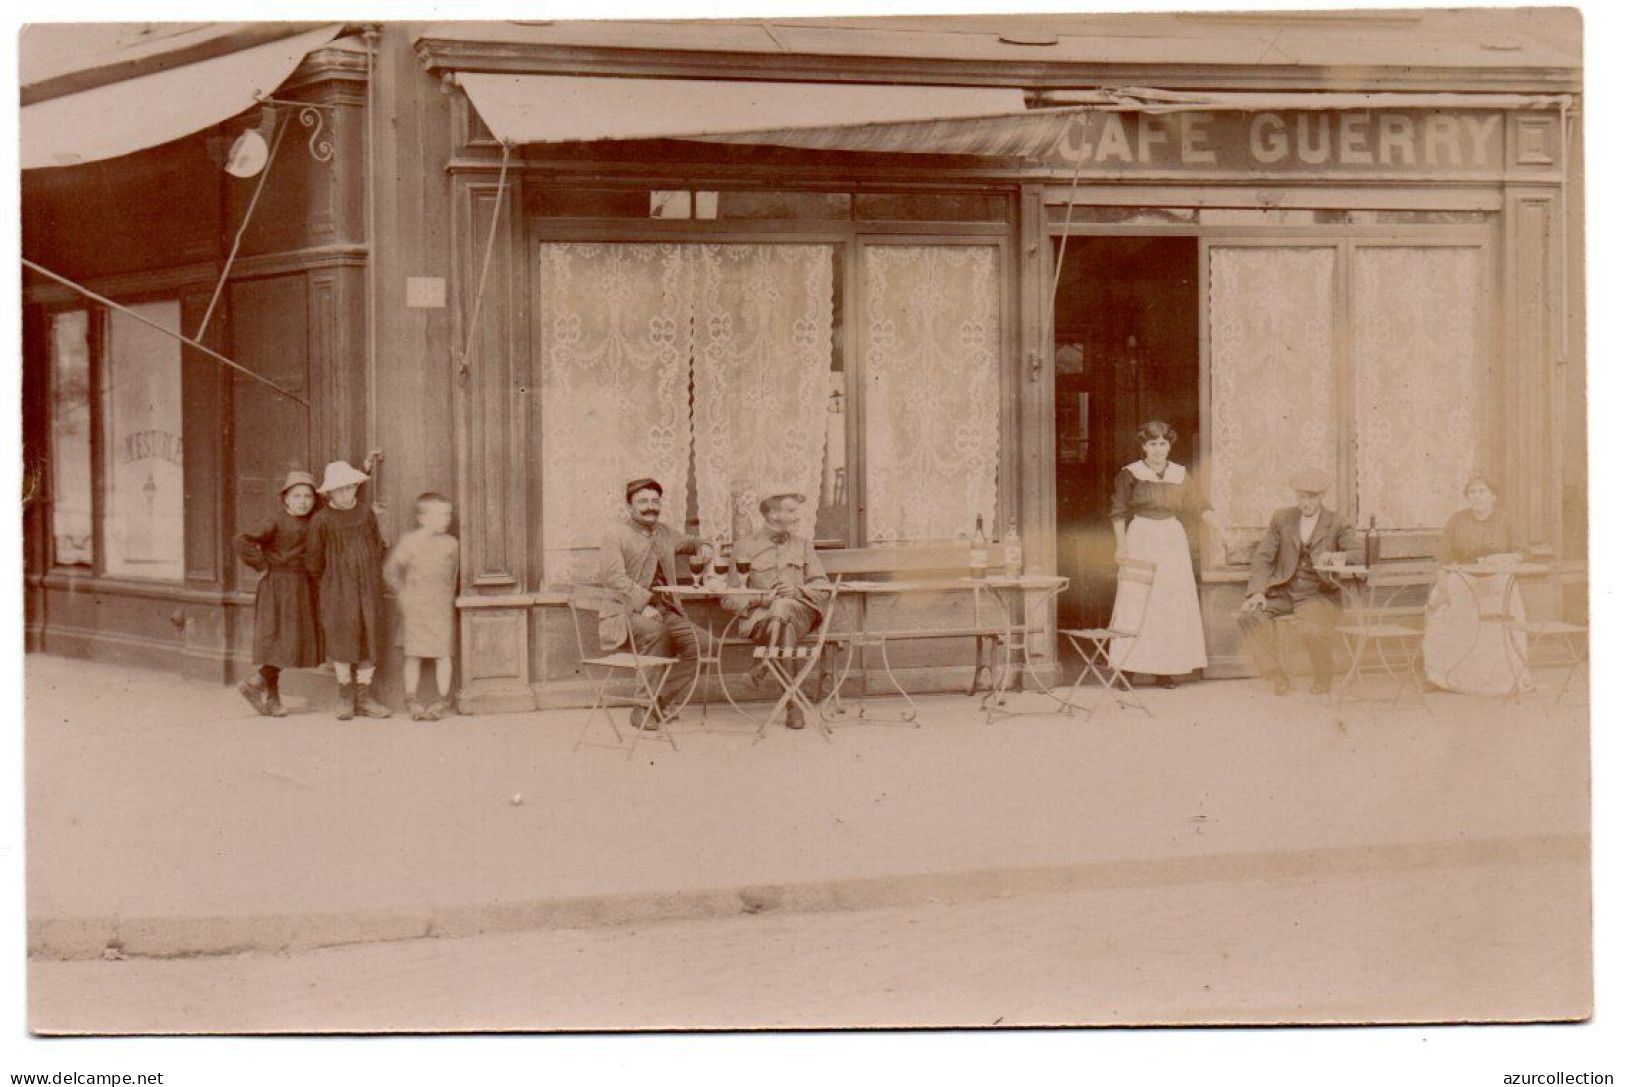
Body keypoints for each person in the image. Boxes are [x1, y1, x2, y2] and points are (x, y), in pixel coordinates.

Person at [1107, 421, 1231, 688]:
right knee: (1136, 600)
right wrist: (1121, 546)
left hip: (1171, 540)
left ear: (1169, 446)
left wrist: (1223, 532)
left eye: (1163, 444)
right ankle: (1127, 668)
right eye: (1152, 444)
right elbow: (1118, 512)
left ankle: (1164, 670)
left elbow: (1200, 506)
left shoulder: (1180, 475)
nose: (1158, 450)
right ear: (1143, 447)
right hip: (1140, 536)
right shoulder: (1130, 474)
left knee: (1169, 602)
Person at [597, 477, 714, 730]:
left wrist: (704, 545)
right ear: (629, 507)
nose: (650, 507)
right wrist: (643, 605)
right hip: (624, 613)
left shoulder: (665, 533)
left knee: (704, 645)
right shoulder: (615, 534)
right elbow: (614, 577)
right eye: (642, 501)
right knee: (656, 633)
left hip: (665, 611)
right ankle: (642, 708)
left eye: (655, 501)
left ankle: (659, 701)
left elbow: (691, 541)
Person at [1237, 468, 1357, 696]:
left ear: (1322, 496)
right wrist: (1256, 593)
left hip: (1317, 594)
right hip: (1284, 591)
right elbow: (1263, 557)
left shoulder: (1338, 523)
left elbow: (1358, 554)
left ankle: (1323, 675)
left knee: (1312, 630)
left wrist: (1338, 556)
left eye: (1312, 497)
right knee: (1249, 616)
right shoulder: (1282, 518)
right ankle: (1276, 674)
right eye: (1302, 496)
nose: (1306, 503)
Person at [725, 484, 833, 730]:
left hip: (801, 614)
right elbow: (729, 598)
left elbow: (822, 587)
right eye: (792, 511)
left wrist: (797, 591)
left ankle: (762, 665)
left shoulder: (804, 545)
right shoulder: (744, 547)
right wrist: (762, 600)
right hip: (761, 620)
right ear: (773, 513)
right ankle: (793, 704)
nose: (797, 516)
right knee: (783, 623)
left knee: (785, 605)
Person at [1423, 476, 1529, 695]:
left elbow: (1522, 552)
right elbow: (1443, 558)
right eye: (1472, 492)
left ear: (1493, 496)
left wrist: (1502, 558)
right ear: (1467, 497)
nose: (1477, 496)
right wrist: (1443, 592)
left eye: (1482, 491)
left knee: (1497, 624)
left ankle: (1502, 679)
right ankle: (1443, 678)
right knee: (1441, 613)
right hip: (1464, 579)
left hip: (1499, 581)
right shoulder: (1457, 520)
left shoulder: (1507, 520)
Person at [306, 454, 392, 720]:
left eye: (349, 487)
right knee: (343, 636)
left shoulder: (365, 513)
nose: (345, 494)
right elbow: (313, 560)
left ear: (356, 487)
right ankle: (345, 698)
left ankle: (364, 699)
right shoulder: (321, 520)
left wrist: (366, 572)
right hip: (337, 590)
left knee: (368, 634)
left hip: (367, 586)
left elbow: (377, 545)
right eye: (339, 489)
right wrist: (332, 583)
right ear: (329, 493)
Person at [234, 470, 323, 717]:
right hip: (278, 585)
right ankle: (256, 683)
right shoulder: (274, 520)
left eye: (308, 496)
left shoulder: (315, 520)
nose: (303, 501)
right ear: (285, 499)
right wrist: (262, 565)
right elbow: (241, 540)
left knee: (287, 641)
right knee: (281, 640)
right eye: (296, 496)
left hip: (301, 585)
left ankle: (271, 699)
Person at [384, 492, 460, 721]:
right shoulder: (410, 541)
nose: (447, 519)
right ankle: (411, 700)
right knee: (413, 655)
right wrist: (403, 593)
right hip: (415, 608)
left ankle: (441, 700)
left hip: (441, 609)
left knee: (443, 655)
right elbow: (390, 571)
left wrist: (448, 599)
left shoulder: (451, 543)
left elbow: (454, 575)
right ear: (423, 518)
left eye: (448, 515)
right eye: (441, 515)